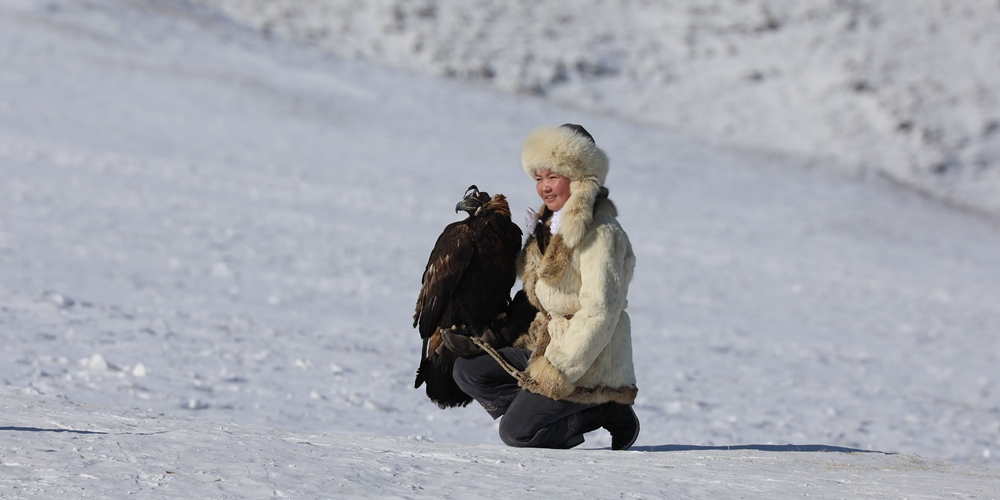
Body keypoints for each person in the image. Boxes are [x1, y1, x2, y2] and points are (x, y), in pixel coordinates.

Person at [443, 123, 639, 450]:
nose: (545, 187)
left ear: (580, 176)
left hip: (588, 362)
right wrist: (490, 338)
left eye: (554, 176)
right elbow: (535, 302)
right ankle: (537, 411)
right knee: (468, 370)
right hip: (546, 345)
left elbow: (600, 314)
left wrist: (556, 372)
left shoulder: (601, 233)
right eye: (539, 177)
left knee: (517, 434)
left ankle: (605, 409)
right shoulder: (549, 227)